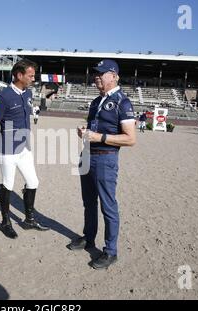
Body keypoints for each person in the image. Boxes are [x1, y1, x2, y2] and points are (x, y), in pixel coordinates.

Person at [68, 59, 136, 270]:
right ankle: (89, 237)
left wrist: (99, 137)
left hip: (105, 159)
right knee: (88, 203)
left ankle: (110, 251)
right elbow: (92, 128)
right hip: (87, 156)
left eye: (101, 73)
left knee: (108, 206)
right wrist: (85, 131)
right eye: (95, 74)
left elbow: (130, 139)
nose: (96, 77)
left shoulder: (123, 103)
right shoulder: (96, 101)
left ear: (114, 76)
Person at [0, 59, 49, 239]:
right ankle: (5, 222)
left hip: (24, 149)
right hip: (7, 149)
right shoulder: (4, 96)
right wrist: (1, 145)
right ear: (19, 75)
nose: (33, 78)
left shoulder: (28, 93)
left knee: (33, 182)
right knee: (8, 183)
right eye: (30, 75)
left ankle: (29, 219)